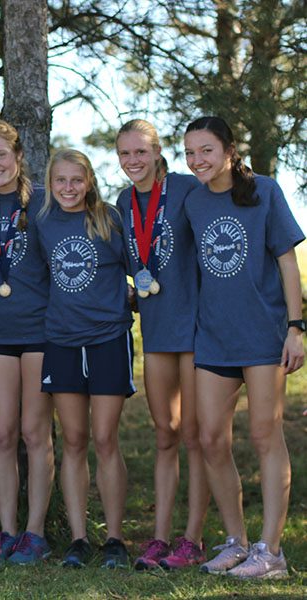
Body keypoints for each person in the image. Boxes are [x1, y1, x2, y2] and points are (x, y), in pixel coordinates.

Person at [183, 116, 303, 579]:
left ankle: (271, 552)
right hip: (213, 335)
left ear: (230, 150)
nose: (198, 161)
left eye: (207, 150)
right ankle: (235, 542)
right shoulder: (193, 202)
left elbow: (288, 263)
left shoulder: (266, 192)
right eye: (191, 152)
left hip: (263, 333)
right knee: (211, 437)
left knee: (263, 434)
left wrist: (296, 326)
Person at [113, 119, 210, 571]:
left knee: (195, 436)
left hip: (193, 330)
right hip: (155, 331)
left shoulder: (188, 189)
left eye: (141, 152)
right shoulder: (122, 201)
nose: (133, 161)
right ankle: (158, 537)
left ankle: (192, 539)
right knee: (165, 434)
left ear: (157, 152)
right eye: (125, 154)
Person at [37, 149, 134, 569]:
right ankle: (78, 538)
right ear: (50, 183)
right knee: (73, 441)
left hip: (108, 338)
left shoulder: (110, 219)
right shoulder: (42, 222)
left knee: (104, 439)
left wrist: (128, 297)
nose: (69, 188)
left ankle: (114, 538)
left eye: (77, 180)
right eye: (61, 181)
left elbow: (139, 269)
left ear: (90, 181)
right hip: (61, 340)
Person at [0, 120, 53, 565]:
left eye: (0, 155)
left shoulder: (44, 202)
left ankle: (35, 533)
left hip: (40, 331)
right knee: (1, 434)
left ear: (19, 156)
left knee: (34, 433)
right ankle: (6, 530)